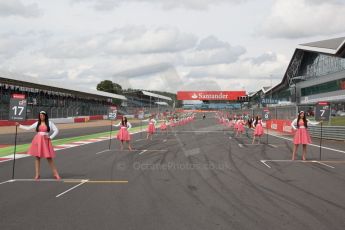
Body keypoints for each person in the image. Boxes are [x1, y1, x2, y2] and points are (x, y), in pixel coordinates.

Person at [16, 111, 60, 180]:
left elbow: (56, 130)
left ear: (45, 116)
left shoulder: (50, 123)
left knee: (49, 158)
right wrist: (19, 125)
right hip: (37, 141)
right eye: (40, 115)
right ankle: (37, 175)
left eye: (42, 115)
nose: (41, 117)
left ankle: (55, 173)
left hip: (45, 141)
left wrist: (50, 137)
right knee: (37, 157)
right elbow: (28, 128)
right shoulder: (37, 123)